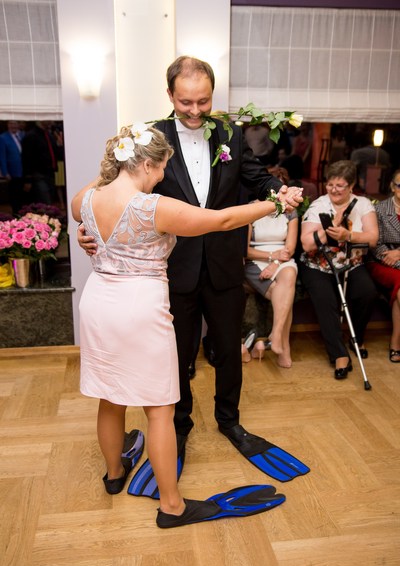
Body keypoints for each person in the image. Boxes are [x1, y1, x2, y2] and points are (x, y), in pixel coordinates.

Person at [75, 56, 303, 478]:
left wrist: (280, 191)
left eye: (203, 101)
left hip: (224, 262)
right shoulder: (150, 139)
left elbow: (257, 178)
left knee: (228, 349)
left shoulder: (230, 133)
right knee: (176, 355)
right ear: (169, 95)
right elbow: (110, 196)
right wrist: (87, 230)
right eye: (185, 102)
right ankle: (177, 426)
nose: (195, 111)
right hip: (170, 268)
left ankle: (229, 420)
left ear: (213, 94)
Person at [299, 160, 379, 380]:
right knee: (325, 300)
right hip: (318, 264)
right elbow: (307, 244)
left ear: (351, 186)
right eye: (330, 184)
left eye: (340, 185)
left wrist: (348, 235)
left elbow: (372, 238)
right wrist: (331, 228)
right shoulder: (318, 206)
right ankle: (339, 354)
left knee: (367, 292)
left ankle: (356, 337)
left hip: (351, 263)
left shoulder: (363, 204)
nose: (333, 190)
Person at [243, 206, 298, 368]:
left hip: (282, 260)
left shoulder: (290, 212)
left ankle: (276, 333)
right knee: (285, 296)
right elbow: (245, 250)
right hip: (256, 260)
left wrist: (275, 263)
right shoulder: (251, 210)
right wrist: (271, 256)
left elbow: (290, 248)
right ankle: (284, 348)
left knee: (289, 275)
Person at [367, 169, 400, 363]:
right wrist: (394, 257)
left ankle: (396, 342)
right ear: (392, 187)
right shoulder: (379, 209)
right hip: (382, 261)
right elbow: (375, 244)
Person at [0, 120, 24, 214]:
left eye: (15, 123)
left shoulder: (22, 135)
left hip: (24, 170)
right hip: (12, 171)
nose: (13, 125)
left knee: (23, 194)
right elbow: (2, 156)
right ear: (7, 125)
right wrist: (5, 172)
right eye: (11, 123)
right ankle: (16, 214)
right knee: (15, 194)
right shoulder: (3, 138)